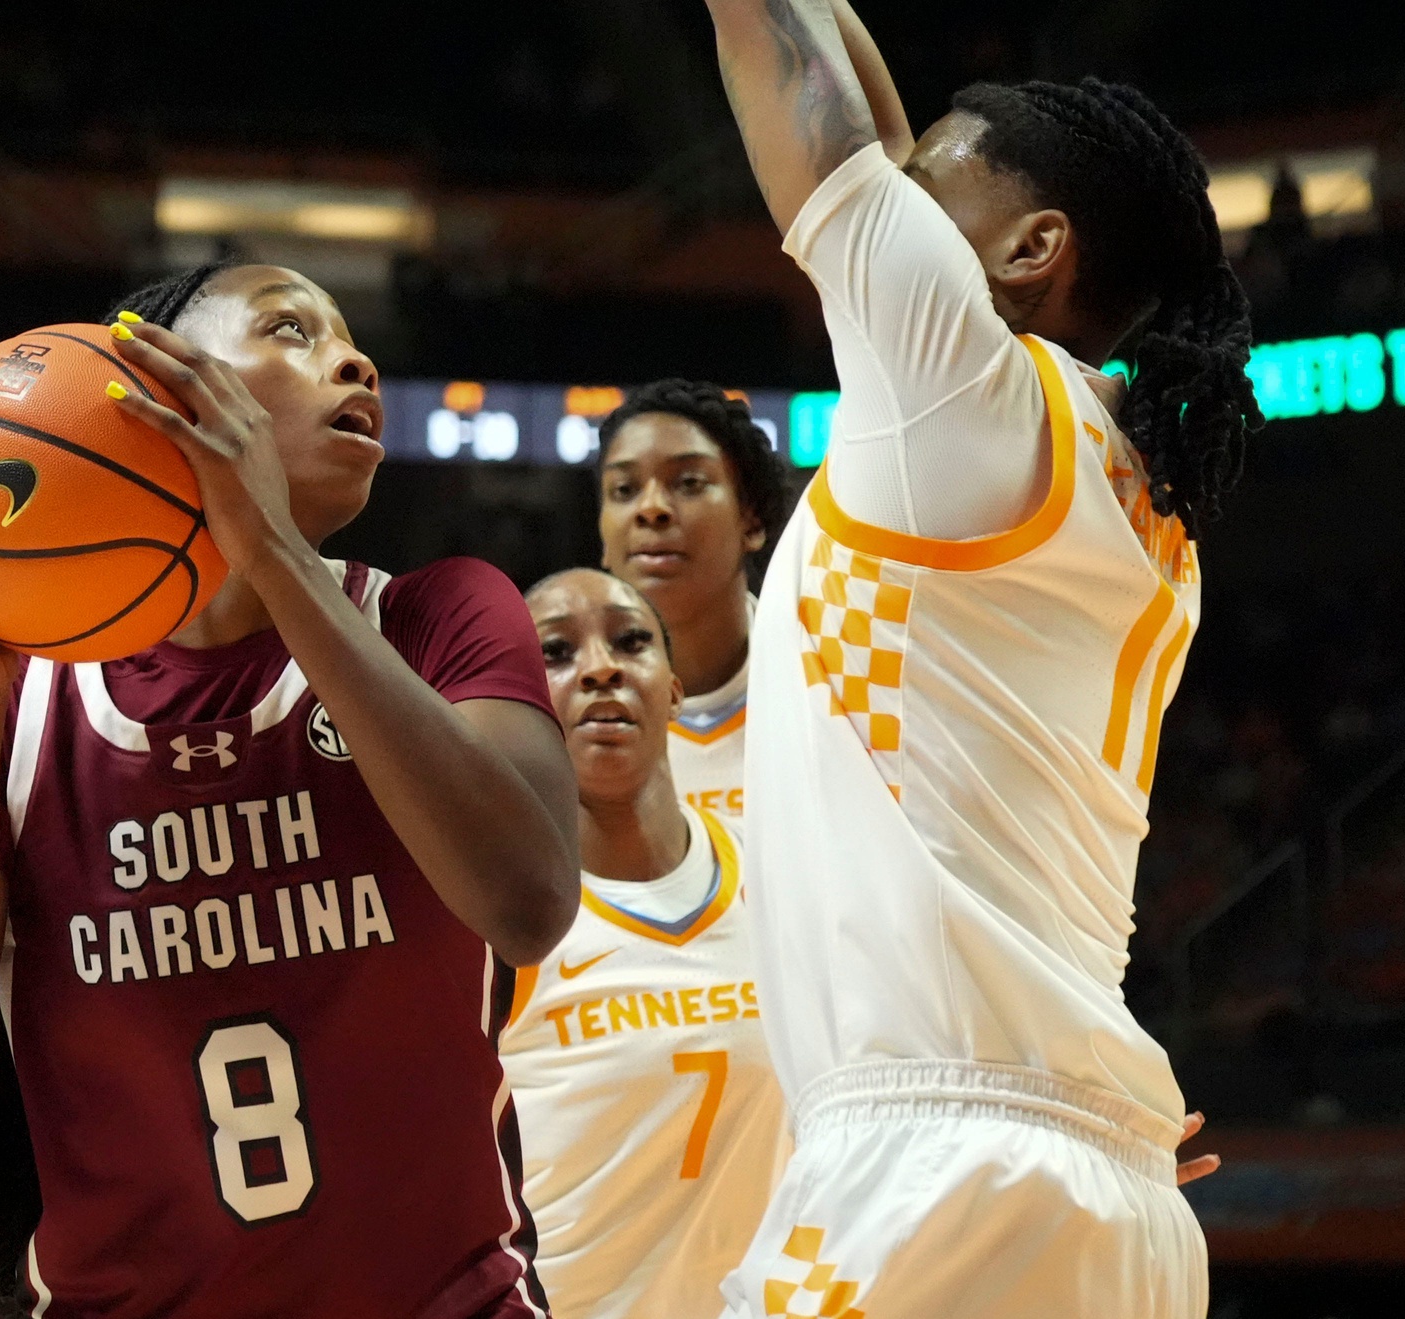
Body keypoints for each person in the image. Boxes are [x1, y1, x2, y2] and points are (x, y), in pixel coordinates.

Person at [0, 263, 580, 1318]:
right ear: (148, 385)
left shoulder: (438, 615)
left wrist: (272, 550)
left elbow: (527, 899)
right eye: (290, 328)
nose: (354, 359)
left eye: (344, 335)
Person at [703, 1, 1258, 1316]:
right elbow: (867, 134)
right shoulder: (1128, 498)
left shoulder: (953, 397)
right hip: (1104, 1182)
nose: (885, 200)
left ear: (1028, 249)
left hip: (931, 1168)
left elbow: (787, 75)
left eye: (920, 189)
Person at [502, 568, 786, 1318]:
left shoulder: (778, 879)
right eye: (556, 652)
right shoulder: (498, 914)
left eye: (631, 641)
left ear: (673, 688)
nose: (600, 667)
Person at [596, 380, 790, 819]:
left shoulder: (824, 676)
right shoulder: (567, 714)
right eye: (624, 490)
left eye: (688, 482)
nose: (651, 508)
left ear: (752, 520)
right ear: (604, 540)